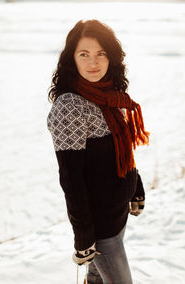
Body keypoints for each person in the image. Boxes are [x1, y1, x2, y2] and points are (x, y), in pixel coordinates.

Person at [47, 19, 149, 284]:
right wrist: (83, 236)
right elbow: (72, 178)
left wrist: (135, 185)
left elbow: (122, 148)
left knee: (96, 280)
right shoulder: (71, 106)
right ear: (72, 59)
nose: (94, 62)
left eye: (101, 53)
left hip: (119, 213)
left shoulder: (110, 94)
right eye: (84, 54)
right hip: (100, 225)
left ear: (110, 57)